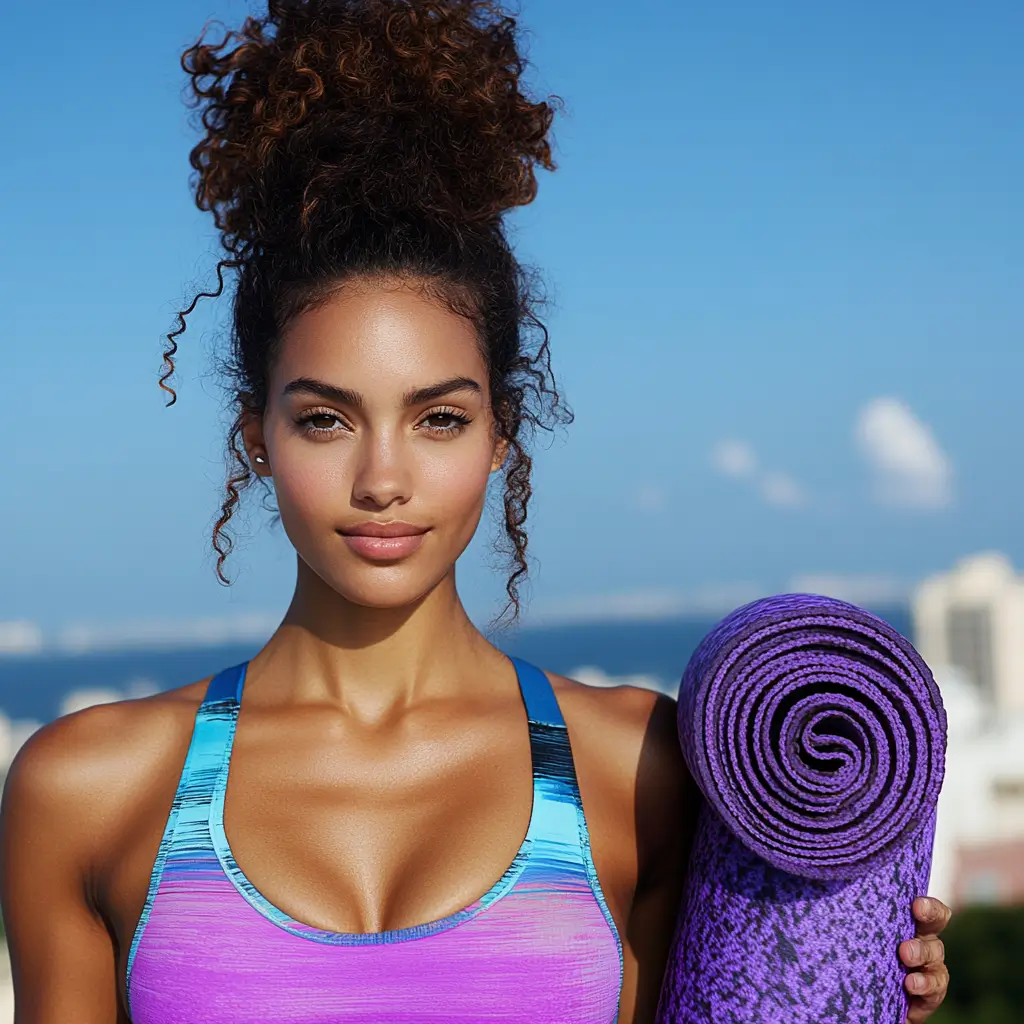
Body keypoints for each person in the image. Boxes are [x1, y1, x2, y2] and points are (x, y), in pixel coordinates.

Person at [0, 2, 951, 1021]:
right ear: (254, 437)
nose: (382, 478)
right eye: (325, 418)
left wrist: (849, 974)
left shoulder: (637, 769)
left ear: (502, 434)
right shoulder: (88, 789)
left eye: (438, 419)